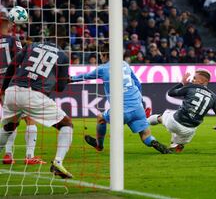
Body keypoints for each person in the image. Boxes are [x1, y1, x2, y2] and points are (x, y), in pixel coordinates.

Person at [0, 26, 74, 178]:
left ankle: (9, 153)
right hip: (33, 95)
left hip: (12, 91)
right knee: (67, 124)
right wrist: (65, 80)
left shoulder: (30, 46)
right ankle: (58, 162)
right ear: (64, 41)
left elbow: (12, 66)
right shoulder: (63, 56)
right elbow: (60, 88)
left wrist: (3, 89)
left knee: (9, 126)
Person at [70, 42, 171, 154]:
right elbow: (138, 83)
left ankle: (99, 145)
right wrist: (140, 100)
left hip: (121, 110)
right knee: (145, 135)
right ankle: (154, 142)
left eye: (101, 55)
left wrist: (69, 79)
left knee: (100, 118)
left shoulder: (103, 69)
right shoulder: (125, 64)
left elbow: (84, 77)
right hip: (138, 108)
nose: (100, 58)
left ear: (105, 55)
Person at [147, 69, 216, 152]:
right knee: (180, 138)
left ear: (202, 81)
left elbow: (171, 93)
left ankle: (145, 121)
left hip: (174, 122)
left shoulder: (191, 87)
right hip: (189, 131)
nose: (192, 80)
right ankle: (177, 144)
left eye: (194, 78)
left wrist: (182, 83)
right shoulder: (213, 97)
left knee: (161, 117)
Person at [0, 10, 41, 165]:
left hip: (2, 88)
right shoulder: (12, 39)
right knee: (30, 118)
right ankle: (29, 156)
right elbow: (20, 61)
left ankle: (8, 155)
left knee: (11, 120)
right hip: (14, 84)